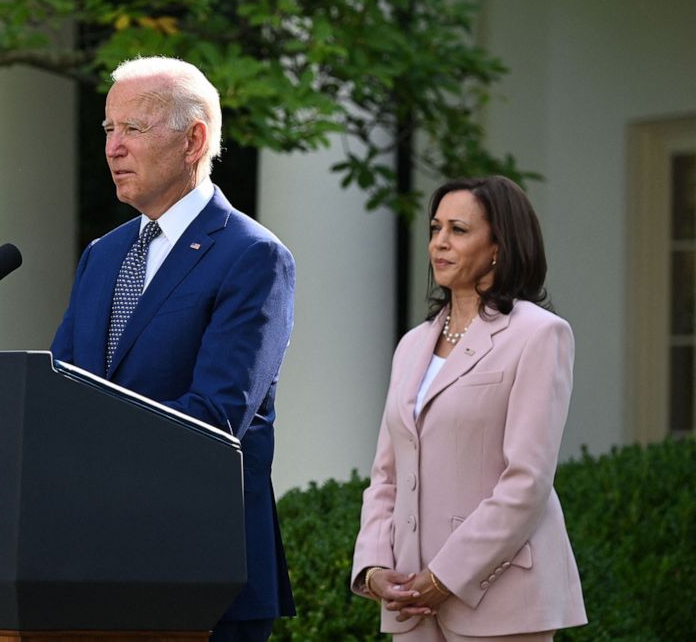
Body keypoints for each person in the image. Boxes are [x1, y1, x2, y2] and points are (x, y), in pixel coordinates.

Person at [51, 56, 296, 641]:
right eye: (108, 130)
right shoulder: (102, 256)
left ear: (194, 141)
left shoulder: (251, 256)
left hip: (200, 576)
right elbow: (58, 393)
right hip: (92, 572)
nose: (113, 148)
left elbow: (214, 418)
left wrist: (92, 455)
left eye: (132, 129)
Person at [350, 176, 587, 641]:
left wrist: (446, 577)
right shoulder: (411, 345)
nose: (439, 243)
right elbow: (387, 475)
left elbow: (526, 481)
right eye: (435, 229)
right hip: (410, 599)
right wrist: (375, 566)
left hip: (503, 599)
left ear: (499, 245)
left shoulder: (540, 334)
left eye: (458, 230)